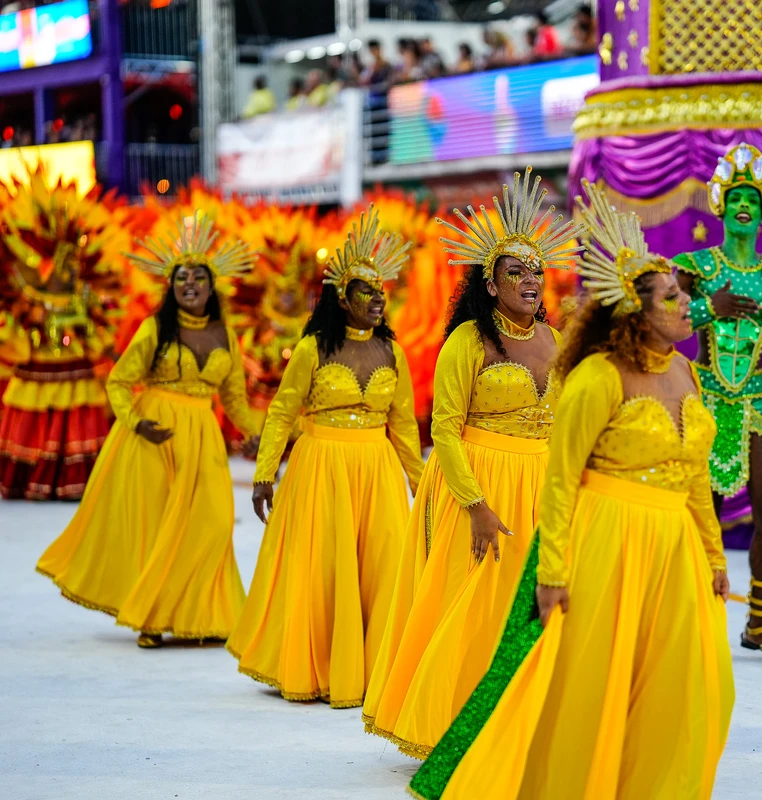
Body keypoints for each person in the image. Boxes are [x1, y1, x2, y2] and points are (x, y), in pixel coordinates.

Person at [407, 181, 733, 800]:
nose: (688, 305)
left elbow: (693, 473)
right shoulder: (565, 367)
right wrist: (493, 517)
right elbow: (451, 430)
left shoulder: (676, 370)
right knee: (543, 653)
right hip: (559, 514)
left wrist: (713, 557)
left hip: (662, 546)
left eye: (537, 269)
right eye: (673, 297)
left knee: (693, 679)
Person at [362, 168, 582, 758]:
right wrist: (477, 506)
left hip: (539, 488)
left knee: (529, 609)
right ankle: (459, 729)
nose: (531, 281)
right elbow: (446, 431)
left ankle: (521, 724)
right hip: (477, 487)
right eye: (516, 272)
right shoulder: (469, 342)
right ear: (490, 282)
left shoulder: (557, 343)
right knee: (471, 611)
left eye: (536, 270)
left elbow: (565, 425)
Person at [227, 208, 424, 708]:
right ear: (343, 297)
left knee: (381, 565)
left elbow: (402, 423)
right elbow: (281, 412)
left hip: (377, 471)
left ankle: (374, 670)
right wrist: (264, 473)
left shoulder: (392, 353)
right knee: (325, 569)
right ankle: (316, 666)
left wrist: (419, 481)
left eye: (381, 292)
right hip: (321, 469)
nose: (377, 300)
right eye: (366, 291)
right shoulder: (313, 348)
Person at [36, 212, 260, 648]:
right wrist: (137, 422)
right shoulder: (155, 329)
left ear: (212, 286)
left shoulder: (226, 335)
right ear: (171, 286)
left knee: (212, 525)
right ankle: (152, 619)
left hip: (202, 438)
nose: (189, 284)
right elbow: (119, 381)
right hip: (153, 437)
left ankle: (204, 616)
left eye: (197, 277)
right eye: (181, 278)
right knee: (159, 530)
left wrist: (252, 433)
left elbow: (233, 397)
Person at [673, 143, 762, 664]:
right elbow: (670, 324)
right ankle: (691, 619)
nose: (744, 206)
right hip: (705, 403)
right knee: (703, 515)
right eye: (736, 199)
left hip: (753, 405)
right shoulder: (695, 268)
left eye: (753, 199)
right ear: (722, 208)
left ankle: (756, 623)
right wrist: (714, 306)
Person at [0, 169, 120, 500]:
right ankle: (33, 481)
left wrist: (112, 353)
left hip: (75, 369)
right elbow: (14, 330)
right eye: (64, 264)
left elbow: (98, 330)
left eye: (73, 264)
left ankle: (73, 484)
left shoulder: (83, 296)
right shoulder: (28, 297)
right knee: (37, 426)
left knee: (75, 426)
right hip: (37, 368)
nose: (70, 271)